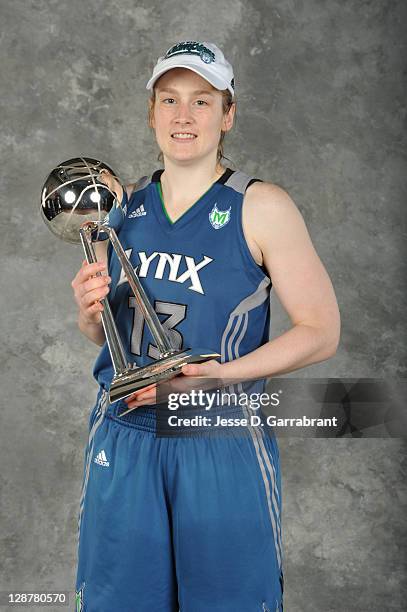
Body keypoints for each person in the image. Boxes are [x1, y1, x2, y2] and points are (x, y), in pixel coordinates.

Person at [71, 40, 340, 612]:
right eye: (169, 100)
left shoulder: (262, 206)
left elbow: (321, 330)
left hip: (216, 434)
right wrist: (88, 314)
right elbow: (106, 337)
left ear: (228, 114)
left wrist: (220, 376)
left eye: (202, 101)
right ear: (151, 112)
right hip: (125, 434)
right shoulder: (118, 208)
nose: (184, 116)